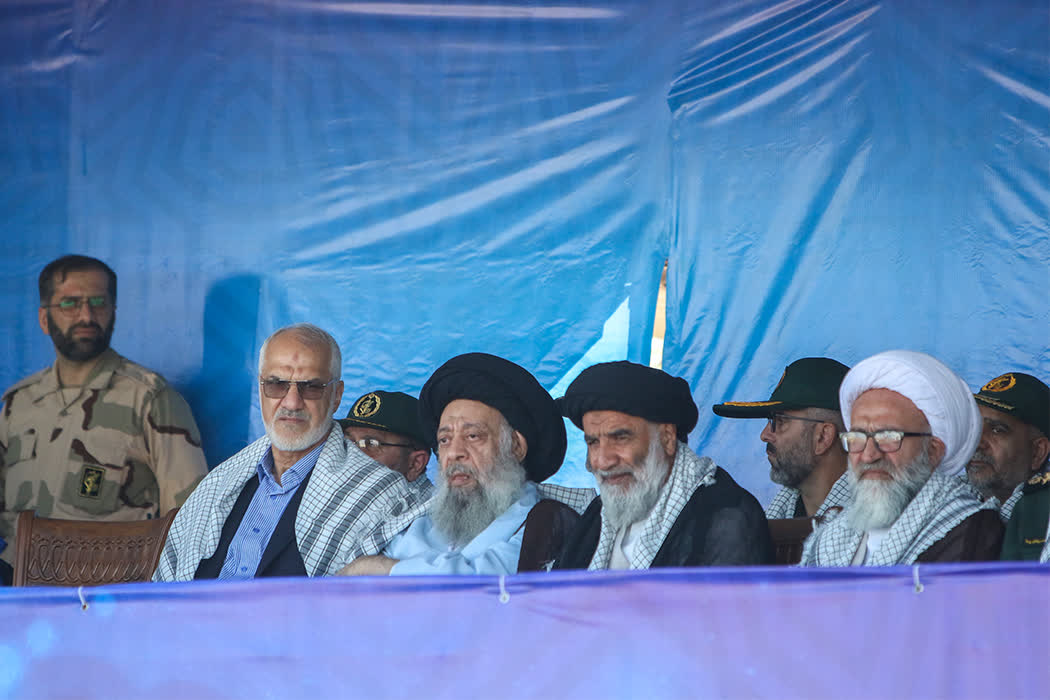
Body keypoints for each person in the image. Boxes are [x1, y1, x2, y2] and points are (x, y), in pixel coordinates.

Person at [153, 324, 418, 581]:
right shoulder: (221, 483)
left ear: (336, 396)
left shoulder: (378, 493)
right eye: (277, 384)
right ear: (260, 389)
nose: (291, 402)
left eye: (311, 387)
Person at [0, 255, 208, 574]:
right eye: (70, 303)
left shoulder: (149, 398)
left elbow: (191, 519)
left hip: (107, 591)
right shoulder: (18, 404)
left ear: (113, 313)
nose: (86, 315)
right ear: (44, 319)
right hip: (18, 589)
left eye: (98, 302)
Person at [338, 352, 568, 575]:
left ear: (515, 447)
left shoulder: (544, 524)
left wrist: (383, 568)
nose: (454, 453)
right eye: (444, 440)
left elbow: (485, 583)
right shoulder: (416, 522)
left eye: (473, 436)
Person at [553, 361, 773, 570]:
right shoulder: (597, 515)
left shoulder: (726, 515)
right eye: (593, 442)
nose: (602, 461)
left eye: (620, 438)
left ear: (667, 438)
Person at [799, 350, 1003, 566]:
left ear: (933, 451)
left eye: (888, 437)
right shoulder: (833, 536)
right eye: (857, 437)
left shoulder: (970, 532)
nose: (868, 455)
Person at [713, 357, 851, 520]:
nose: (764, 435)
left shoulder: (873, 528)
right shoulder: (780, 513)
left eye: (780, 421)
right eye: (771, 420)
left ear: (822, 436)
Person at [966, 372, 1050, 522]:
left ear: (1037, 452)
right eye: (975, 426)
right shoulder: (952, 491)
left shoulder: (1043, 521)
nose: (976, 443)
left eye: (997, 430)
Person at [340, 390, 434, 499]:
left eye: (371, 444)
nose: (352, 455)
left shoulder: (428, 509)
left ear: (415, 463)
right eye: (348, 441)